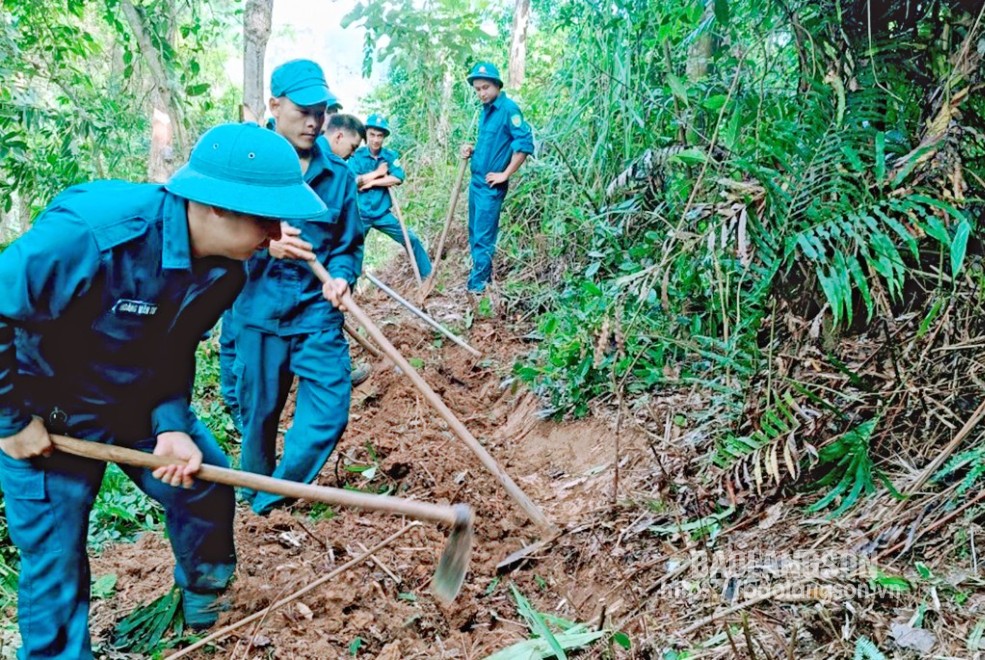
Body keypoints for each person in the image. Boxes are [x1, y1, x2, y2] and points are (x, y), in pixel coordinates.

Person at [0, 121, 326, 658]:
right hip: (45, 412)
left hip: (132, 402)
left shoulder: (226, 273)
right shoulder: (93, 235)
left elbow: (172, 351)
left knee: (202, 485)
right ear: (217, 206)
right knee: (56, 561)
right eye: (267, 219)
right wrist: (11, 421)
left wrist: (171, 422)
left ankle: (205, 601)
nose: (276, 235)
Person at [233, 60, 364, 516]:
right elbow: (212, 238)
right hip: (257, 314)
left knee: (330, 408)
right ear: (274, 105)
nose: (313, 121)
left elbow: (348, 245)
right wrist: (263, 246)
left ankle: (269, 500)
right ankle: (254, 489)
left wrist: (343, 275)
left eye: (321, 111)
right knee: (257, 417)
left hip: (316, 315)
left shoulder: (340, 178)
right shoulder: (245, 163)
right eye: (303, 110)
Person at [459, 61, 534, 294]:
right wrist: (472, 150)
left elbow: (524, 145)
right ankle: (481, 278)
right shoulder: (486, 112)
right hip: (476, 182)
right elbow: (493, 144)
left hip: (490, 187)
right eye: (478, 89)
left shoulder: (509, 110)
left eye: (485, 88)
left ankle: (478, 288)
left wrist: (505, 174)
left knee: (483, 236)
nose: (481, 93)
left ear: (497, 85)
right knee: (474, 232)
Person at [349, 114, 432, 278]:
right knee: (351, 250)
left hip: (382, 213)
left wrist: (371, 183)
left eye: (380, 135)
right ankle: (348, 290)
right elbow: (354, 181)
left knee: (411, 239)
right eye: (372, 134)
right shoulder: (356, 155)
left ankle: (428, 277)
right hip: (360, 213)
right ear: (366, 134)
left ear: (384, 137)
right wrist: (378, 173)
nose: (375, 140)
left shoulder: (389, 155)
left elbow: (398, 177)